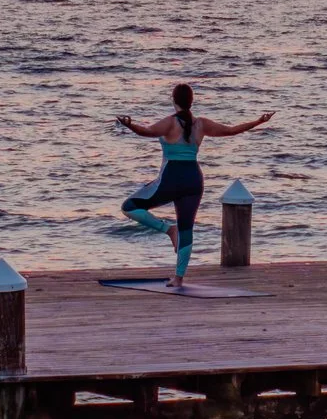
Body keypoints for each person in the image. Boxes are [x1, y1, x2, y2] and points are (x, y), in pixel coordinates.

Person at [115, 83, 274, 285]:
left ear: (173, 100)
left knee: (129, 207)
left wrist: (129, 125)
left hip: (170, 179)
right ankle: (179, 278)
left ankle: (167, 229)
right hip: (194, 180)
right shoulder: (202, 124)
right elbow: (232, 130)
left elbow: (146, 132)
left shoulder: (170, 123)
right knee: (187, 229)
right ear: (192, 101)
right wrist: (259, 121)